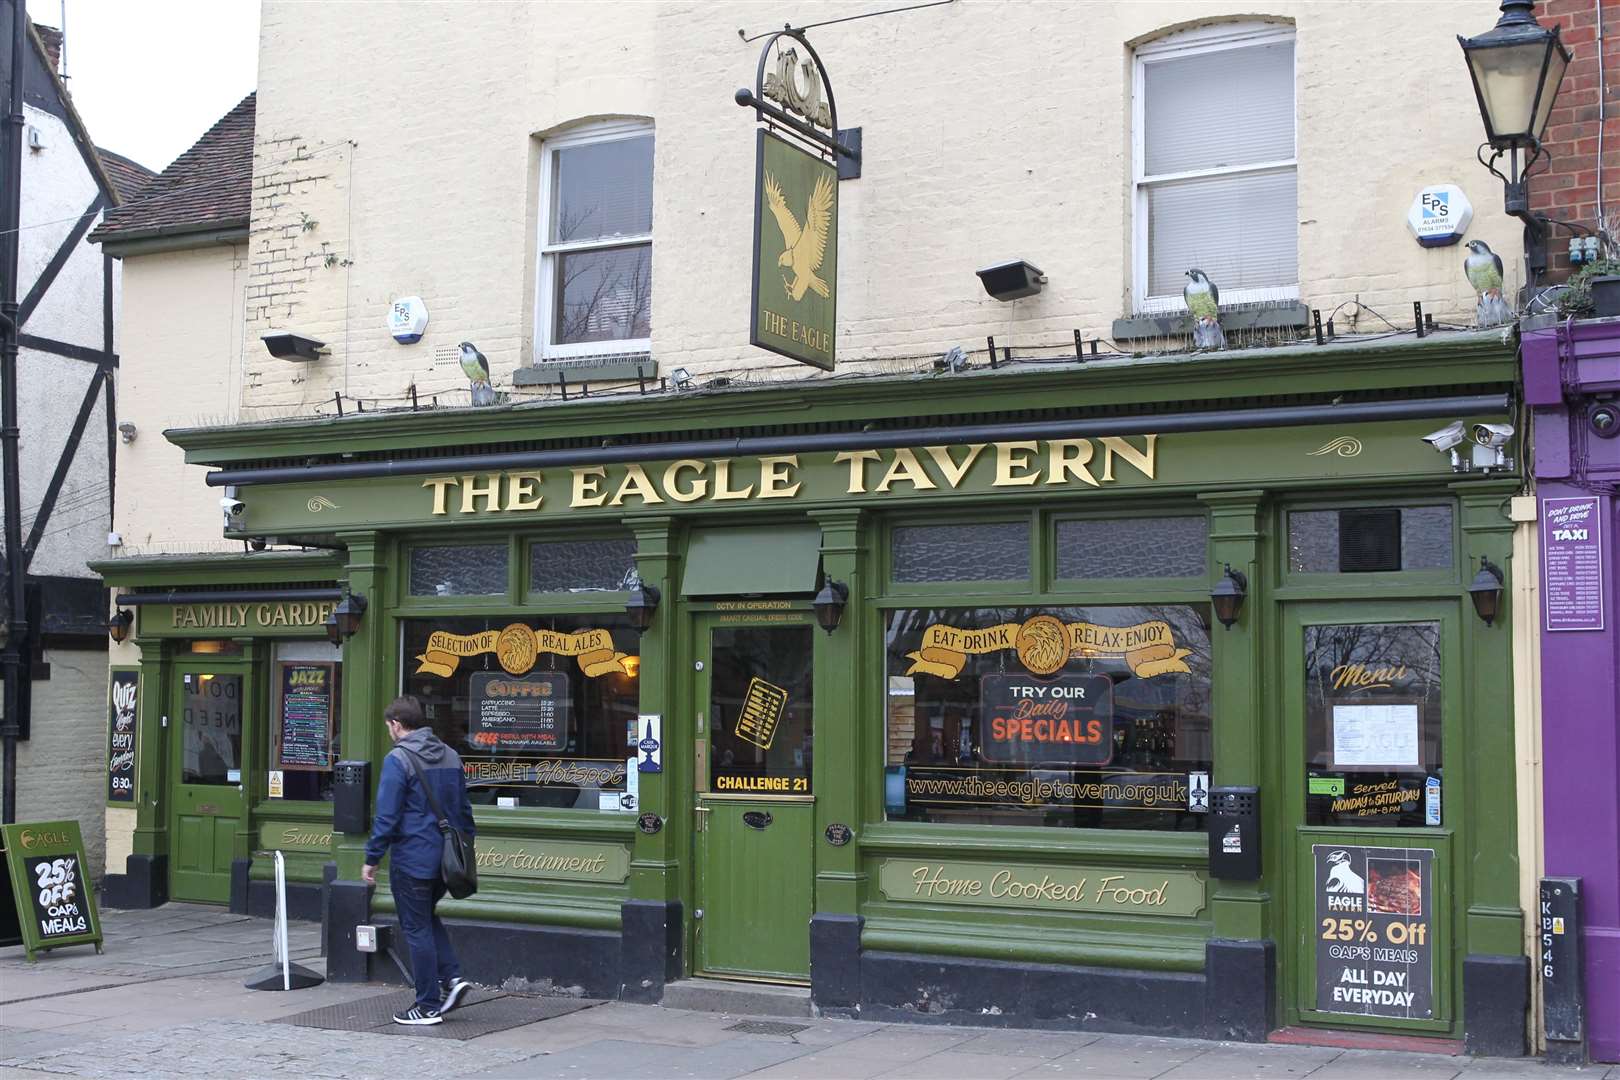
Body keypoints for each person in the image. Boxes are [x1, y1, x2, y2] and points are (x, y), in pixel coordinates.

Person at [362, 695, 476, 1025]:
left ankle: (427, 1005)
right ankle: (453, 979)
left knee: (416, 929)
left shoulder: (399, 760)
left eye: (388, 726)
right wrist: (464, 851)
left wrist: (372, 858)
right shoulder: (451, 755)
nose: (389, 731)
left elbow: (387, 817)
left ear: (397, 725)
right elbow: (465, 812)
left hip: (413, 859)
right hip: (446, 860)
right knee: (426, 918)